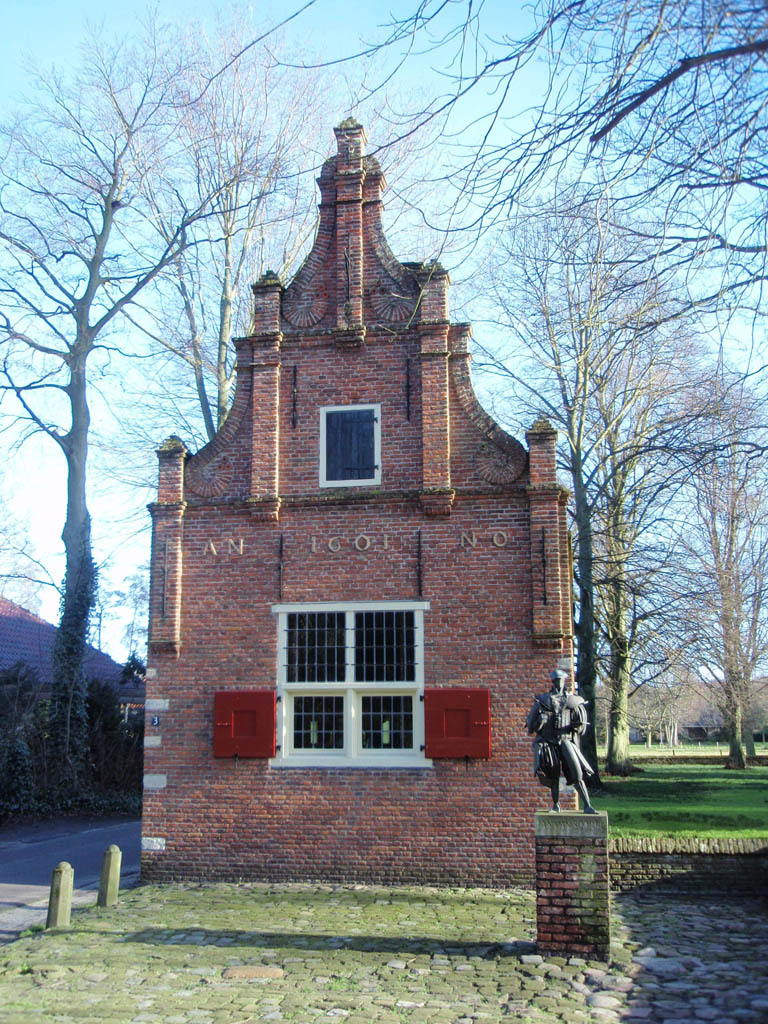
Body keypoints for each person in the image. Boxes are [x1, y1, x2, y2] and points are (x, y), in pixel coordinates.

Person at [526, 668, 597, 813]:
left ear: (564, 681)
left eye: (560, 680)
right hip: (549, 741)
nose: (558, 683)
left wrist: (577, 725)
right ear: (552, 682)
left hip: (565, 740)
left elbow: (581, 726)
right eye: (556, 680)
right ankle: (556, 804)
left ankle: (588, 805)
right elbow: (531, 726)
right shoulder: (542, 701)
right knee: (553, 774)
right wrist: (541, 721)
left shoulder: (572, 700)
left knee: (577, 772)